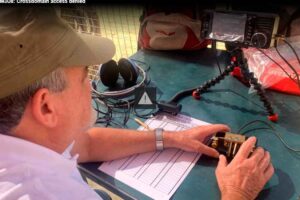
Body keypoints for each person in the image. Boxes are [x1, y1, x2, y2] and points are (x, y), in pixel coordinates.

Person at [0, 8, 273, 200]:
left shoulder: (25, 137)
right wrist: (236, 194)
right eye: (85, 76)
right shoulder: (45, 193)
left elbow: (86, 144)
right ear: (46, 107)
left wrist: (174, 138)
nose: (93, 86)